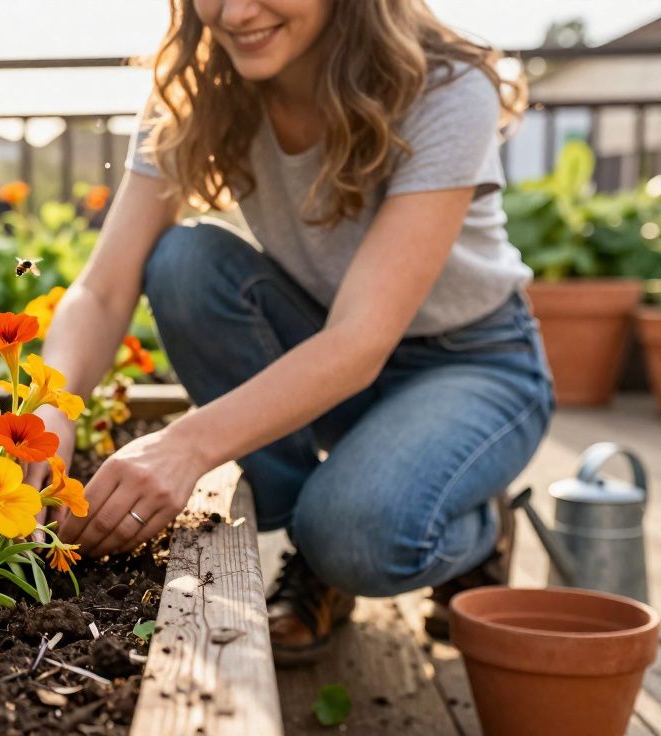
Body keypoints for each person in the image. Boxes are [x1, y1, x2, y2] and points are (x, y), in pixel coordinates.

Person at [28, 0, 554, 665]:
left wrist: (185, 447)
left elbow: (361, 341)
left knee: (358, 535)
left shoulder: (443, 86)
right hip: (329, 348)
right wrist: (51, 408)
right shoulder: (200, 88)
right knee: (184, 263)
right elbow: (103, 289)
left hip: (472, 364)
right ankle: (321, 540)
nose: (234, 12)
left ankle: (469, 528)